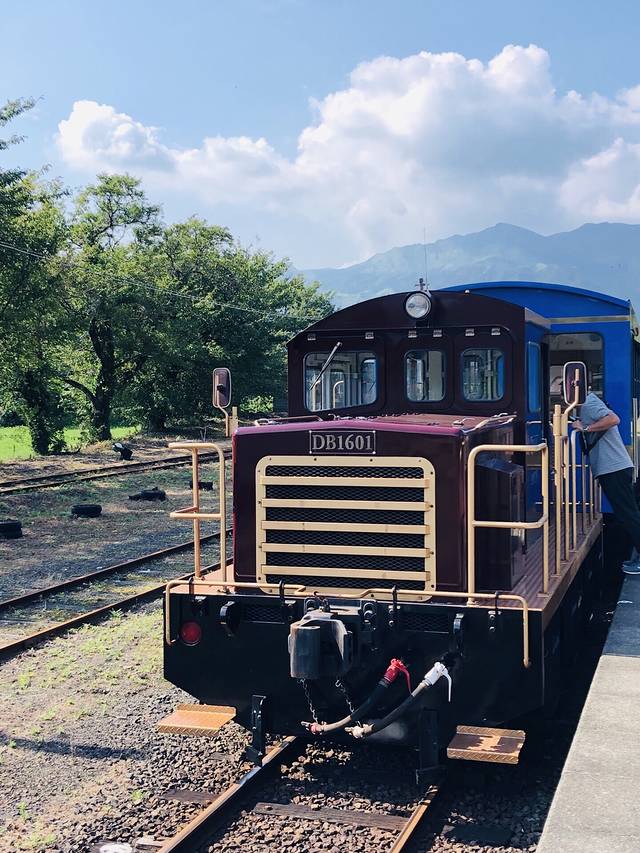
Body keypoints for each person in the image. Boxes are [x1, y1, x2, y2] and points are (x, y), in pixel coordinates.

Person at [574, 392, 640, 574]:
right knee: (628, 513)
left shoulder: (588, 402)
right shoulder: (588, 403)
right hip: (613, 467)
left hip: (613, 468)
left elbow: (613, 419)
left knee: (628, 514)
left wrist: (584, 428)